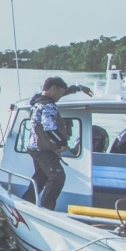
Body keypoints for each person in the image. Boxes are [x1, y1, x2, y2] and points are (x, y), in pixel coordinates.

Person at [25, 76, 93, 210]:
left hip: (34, 146)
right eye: (60, 93)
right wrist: (62, 143)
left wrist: (77, 88)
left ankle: (27, 202)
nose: (60, 96)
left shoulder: (36, 99)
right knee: (57, 177)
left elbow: (61, 91)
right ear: (53, 89)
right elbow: (49, 127)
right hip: (43, 149)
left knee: (41, 177)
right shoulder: (48, 105)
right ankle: (46, 209)